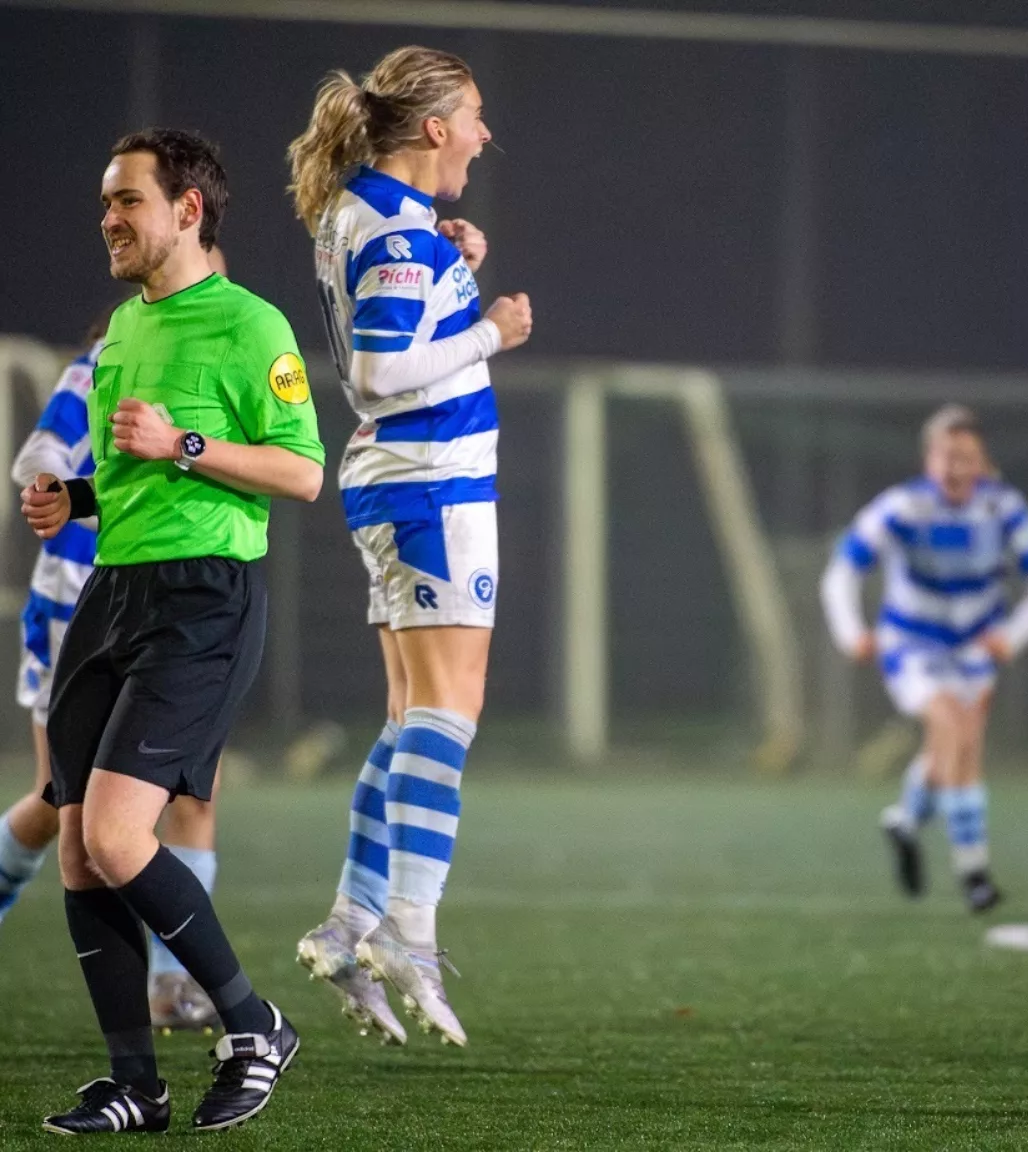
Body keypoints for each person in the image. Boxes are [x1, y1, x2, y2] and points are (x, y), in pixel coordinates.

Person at [20, 128, 324, 1133]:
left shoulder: (250, 325)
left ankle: (254, 1023)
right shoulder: (124, 329)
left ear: (187, 211)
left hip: (205, 601)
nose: (109, 218)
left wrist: (186, 441)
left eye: (127, 202)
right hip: (112, 594)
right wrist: (81, 496)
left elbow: (302, 472)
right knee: (76, 846)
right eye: (106, 201)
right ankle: (134, 1085)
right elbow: (142, 475)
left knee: (116, 835)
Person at [287, 45, 532, 1048]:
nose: (483, 133)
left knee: (410, 714)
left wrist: (452, 264)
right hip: (429, 481)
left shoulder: (377, 214)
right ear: (433, 128)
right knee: (449, 713)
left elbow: (393, 307)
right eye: (472, 115)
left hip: (410, 480)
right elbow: (386, 374)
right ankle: (410, 933)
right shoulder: (395, 227)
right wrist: (492, 333)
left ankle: (351, 921)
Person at [6, 276, 233, 1037]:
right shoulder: (108, 359)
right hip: (79, 607)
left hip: (176, 608)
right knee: (61, 812)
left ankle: (175, 989)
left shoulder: (216, 361)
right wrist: (54, 484)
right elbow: (41, 446)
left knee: (193, 794)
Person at [820, 405, 1028, 912]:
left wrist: (1011, 635)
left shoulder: (1003, 508)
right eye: (948, 457)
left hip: (973, 647)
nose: (957, 468)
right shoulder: (903, 507)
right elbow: (842, 570)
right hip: (911, 645)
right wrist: (850, 632)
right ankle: (974, 871)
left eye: (967, 457)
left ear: (982, 461)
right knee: (952, 726)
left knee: (958, 746)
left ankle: (905, 823)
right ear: (929, 460)